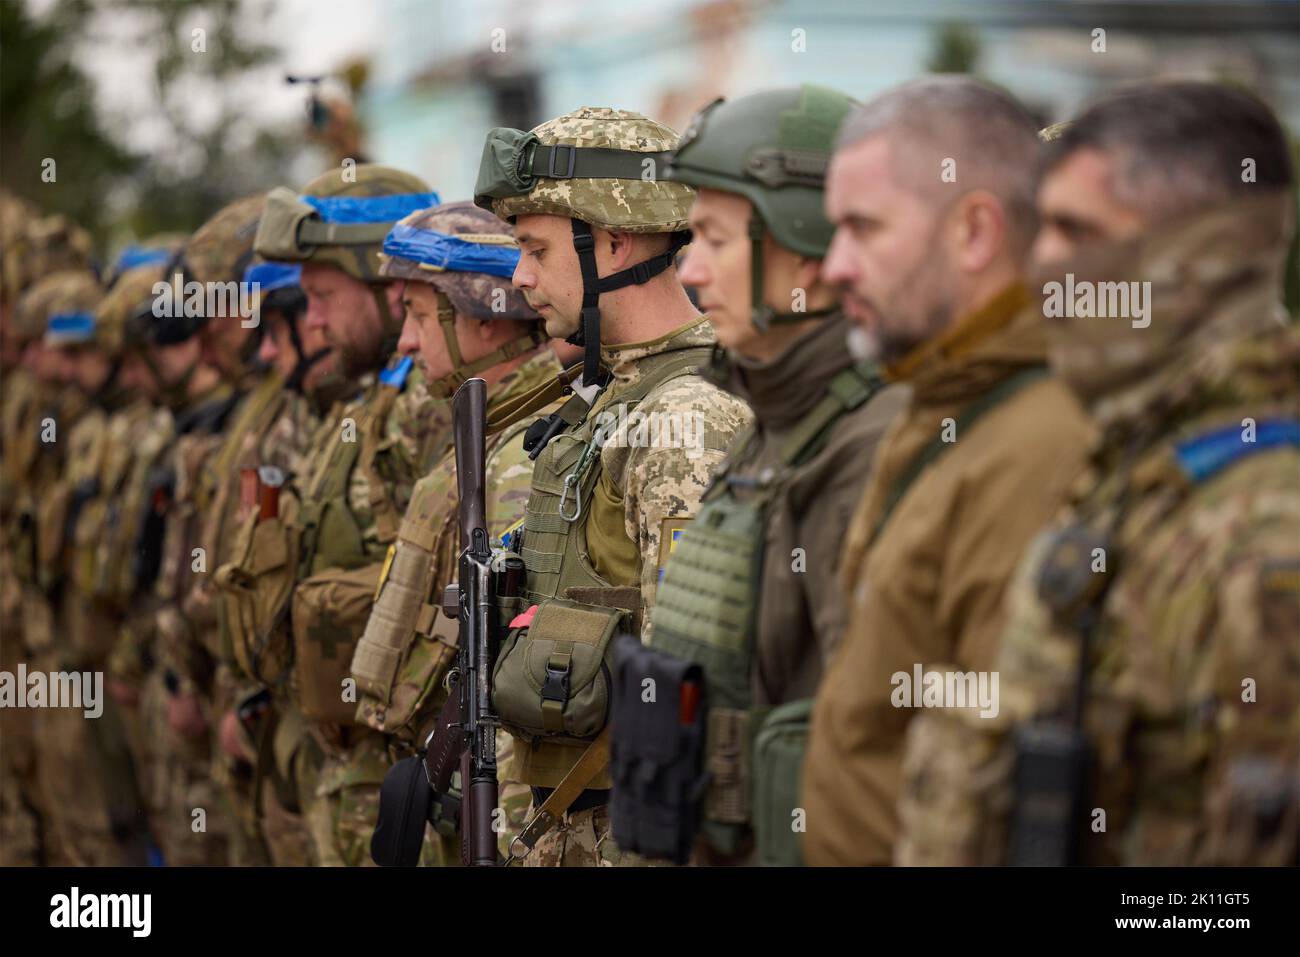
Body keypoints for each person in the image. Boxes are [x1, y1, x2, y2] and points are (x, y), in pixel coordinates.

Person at [895, 80, 1300, 867]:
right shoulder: (1136, 469)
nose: (1042, 267)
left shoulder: (1265, 532)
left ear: (1200, 256)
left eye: (1077, 232)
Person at [799, 76, 1097, 865]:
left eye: (864, 229)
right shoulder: (941, 404)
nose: (834, 267)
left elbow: (1002, 776)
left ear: (973, 232)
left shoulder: (1039, 445)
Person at [630, 84, 908, 865]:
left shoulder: (866, 448)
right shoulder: (776, 425)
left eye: (715, 240)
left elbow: (879, 763)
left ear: (807, 251)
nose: (689, 271)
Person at [473, 105, 752, 865]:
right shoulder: (606, 398)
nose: (520, 275)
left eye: (535, 248)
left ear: (616, 241)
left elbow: (691, 700)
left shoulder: (685, 418)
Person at [243, 164, 447, 865]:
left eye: (324, 297)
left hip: (406, 791)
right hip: (351, 778)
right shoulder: (370, 406)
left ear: (388, 283)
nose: (317, 320)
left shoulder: (437, 409)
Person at [352, 200, 560, 864]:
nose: (407, 342)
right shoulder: (484, 434)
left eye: (417, 315)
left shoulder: (523, 454)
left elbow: (519, 668)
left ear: (480, 313)